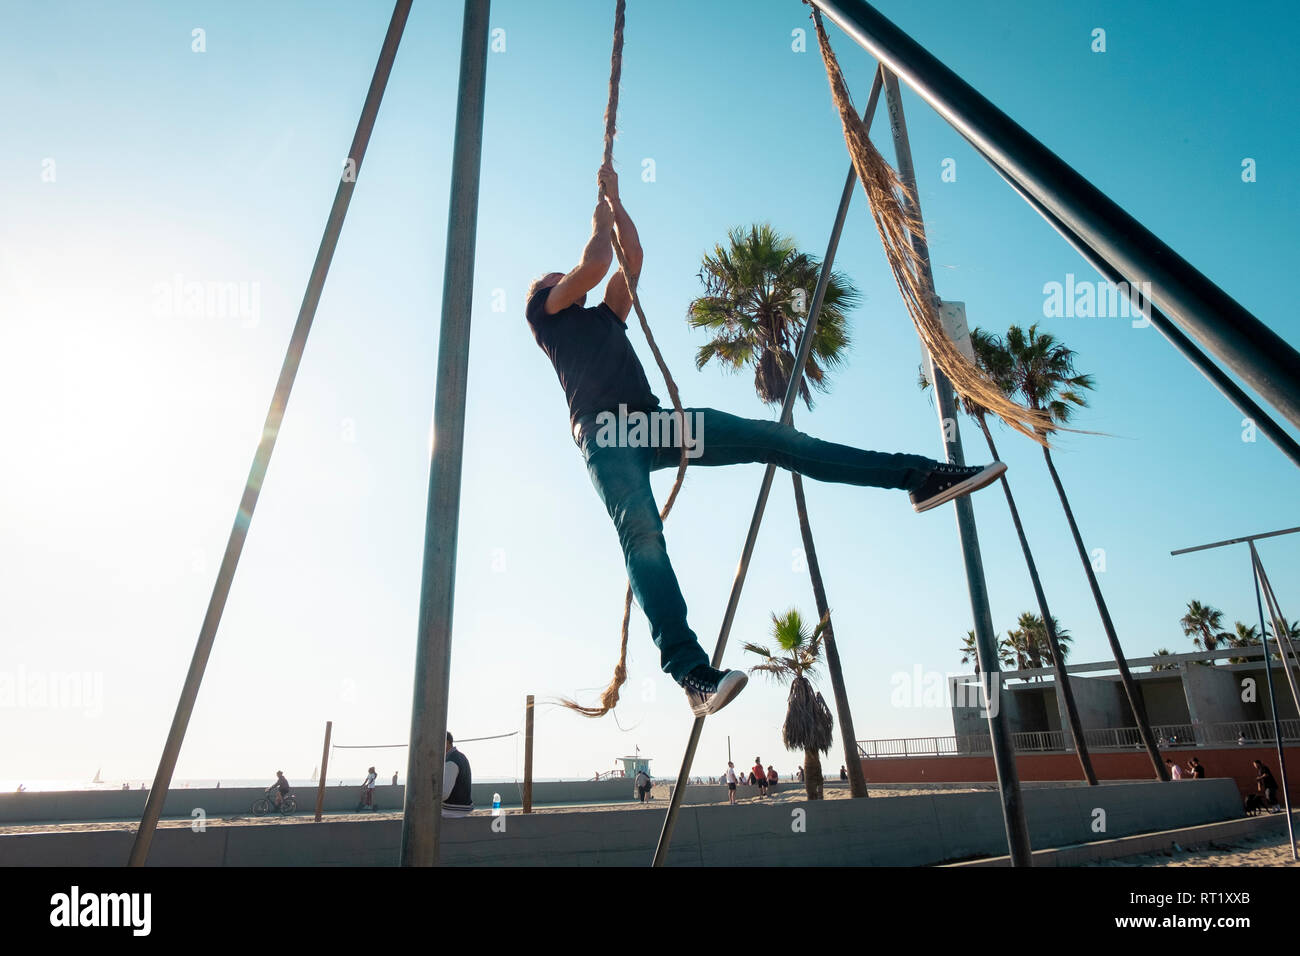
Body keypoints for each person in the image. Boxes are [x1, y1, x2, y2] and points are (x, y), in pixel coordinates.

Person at [526, 165, 1009, 720]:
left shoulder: (606, 316)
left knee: (773, 438)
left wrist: (616, 198)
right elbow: (596, 263)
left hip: (651, 422)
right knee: (642, 530)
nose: (567, 282)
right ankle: (691, 674)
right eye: (556, 280)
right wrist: (598, 212)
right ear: (544, 295)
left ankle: (918, 477)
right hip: (605, 435)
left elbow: (629, 258)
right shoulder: (548, 316)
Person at [443, 733, 473, 818]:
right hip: (465, 808)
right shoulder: (461, 756)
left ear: (446, 742)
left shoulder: (450, 762)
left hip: (453, 811)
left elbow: (444, 794)